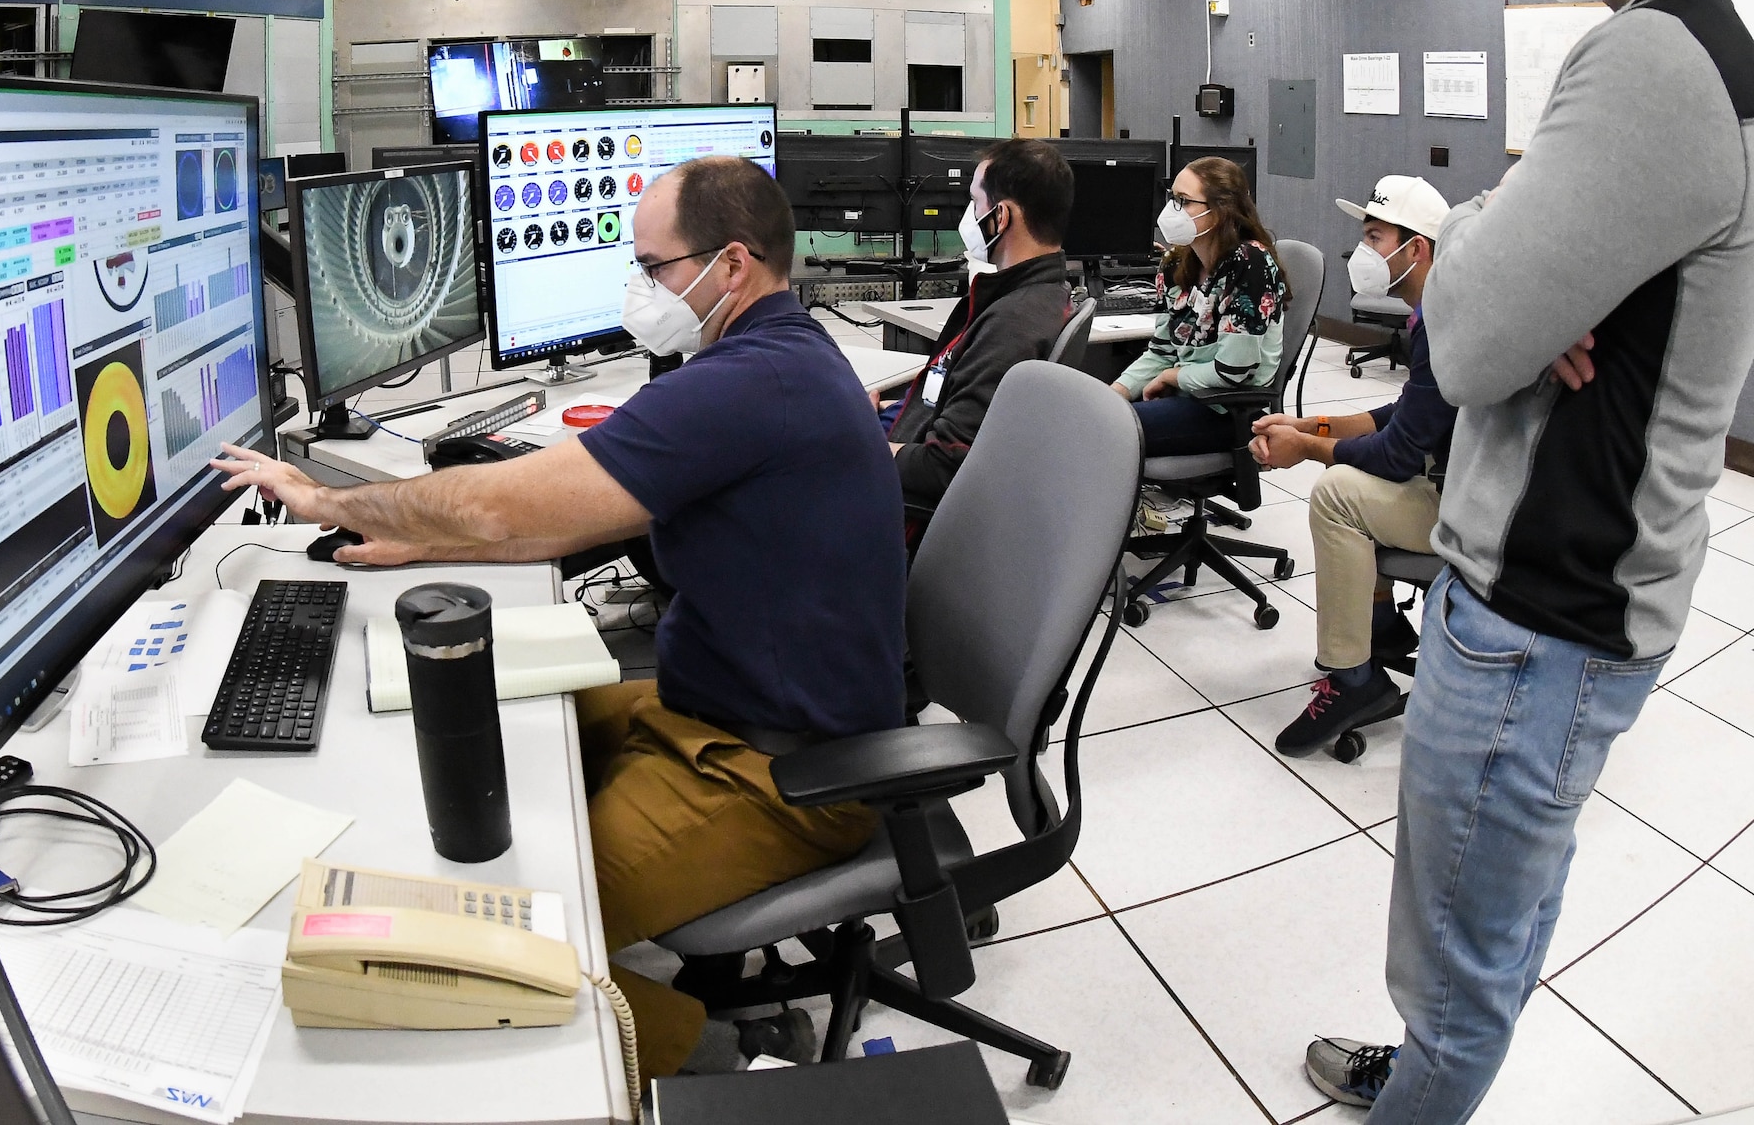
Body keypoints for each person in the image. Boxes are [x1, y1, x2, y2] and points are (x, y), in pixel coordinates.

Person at [212, 154, 908, 1082]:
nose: (640, 286)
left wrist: (336, 503)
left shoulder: (745, 388)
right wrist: (424, 540)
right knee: (472, 728)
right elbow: (553, 520)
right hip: (703, 708)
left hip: (781, 773)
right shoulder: (778, 358)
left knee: (486, 943)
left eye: (654, 267)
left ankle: (723, 1053)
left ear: (731, 267)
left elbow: (509, 510)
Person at [1306, 0, 1754, 1121]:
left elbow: (1474, 327)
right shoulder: (1707, 47)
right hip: (1586, 591)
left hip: (1542, 605)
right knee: (1487, 925)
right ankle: (1437, 1060)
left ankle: (1426, 1089)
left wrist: (1498, 266)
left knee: (1456, 959)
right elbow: (1494, 275)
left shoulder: (1650, 57)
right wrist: (1512, 244)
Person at [1250, 175, 1455, 757]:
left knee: (1338, 491)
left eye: (1374, 237)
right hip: (1452, 476)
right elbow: (1404, 414)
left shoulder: (1440, 324)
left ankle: (1354, 680)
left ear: (1416, 248)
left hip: (1468, 504)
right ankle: (1384, 630)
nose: (1362, 253)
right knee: (1350, 472)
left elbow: (1397, 455)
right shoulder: (1436, 310)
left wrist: (1306, 449)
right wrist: (1311, 426)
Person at [886, 137, 1074, 521]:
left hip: (923, 510)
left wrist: (855, 442)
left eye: (974, 203)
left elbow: (946, 465)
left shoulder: (1011, 324)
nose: (969, 215)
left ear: (1000, 217)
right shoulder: (1038, 295)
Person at [1112, 156, 1289, 454]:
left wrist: (1171, 376)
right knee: (1096, 413)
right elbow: (1162, 350)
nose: (1172, 210)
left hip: (1226, 409)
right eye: (1172, 198)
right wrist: (1116, 391)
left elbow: (1233, 372)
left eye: (1184, 201)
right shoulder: (1176, 263)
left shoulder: (1250, 263)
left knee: (1107, 431)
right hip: (1188, 396)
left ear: (1221, 212)